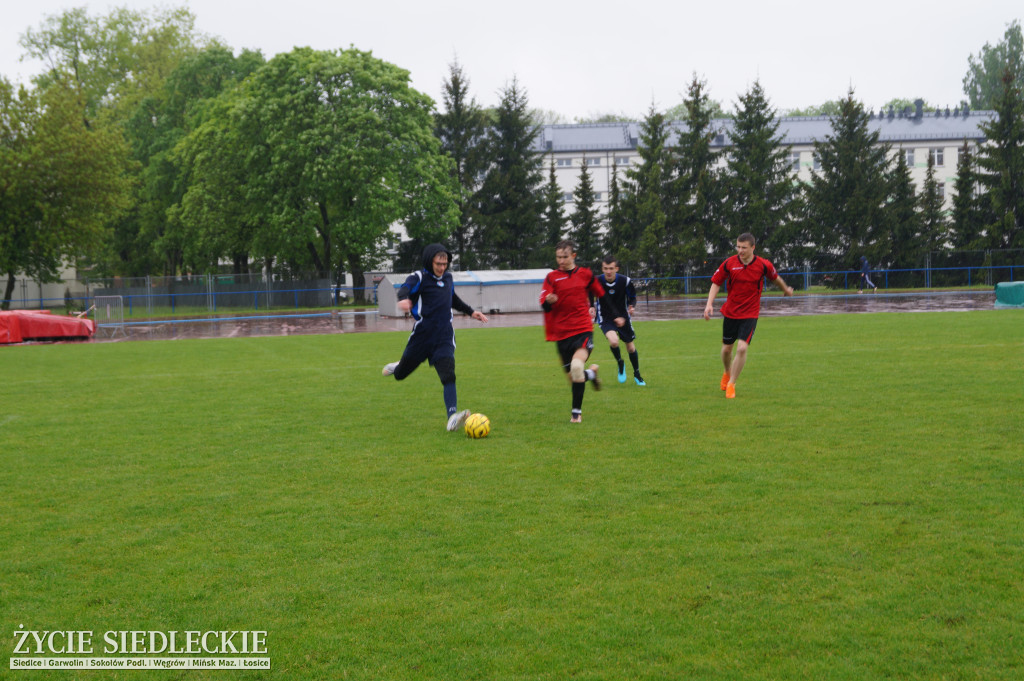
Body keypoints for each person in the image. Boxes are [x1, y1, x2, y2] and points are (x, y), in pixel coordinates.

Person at [382, 243, 489, 431]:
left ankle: (452, 417)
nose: (442, 268)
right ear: (429, 261)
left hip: (444, 335)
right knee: (400, 376)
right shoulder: (419, 277)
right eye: (438, 263)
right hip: (422, 336)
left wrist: (472, 312)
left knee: (448, 374)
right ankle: (398, 366)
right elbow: (405, 289)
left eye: (445, 263)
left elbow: (453, 299)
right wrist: (404, 299)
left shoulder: (448, 278)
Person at [703, 232, 794, 399]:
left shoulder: (763, 265)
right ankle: (726, 372)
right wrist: (709, 304)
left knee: (742, 347)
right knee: (726, 350)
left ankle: (732, 384)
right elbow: (716, 282)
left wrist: (786, 289)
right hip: (731, 312)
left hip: (750, 312)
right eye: (738, 247)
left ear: (753, 247)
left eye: (743, 247)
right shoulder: (729, 263)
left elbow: (776, 278)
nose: (740, 250)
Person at [540, 239, 606, 423]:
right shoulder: (552, 277)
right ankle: (591, 374)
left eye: (565, 257)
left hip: (583, 329)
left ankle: (576, 413)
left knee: (577, 367)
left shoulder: (585, 274)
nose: (561, 261)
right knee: (574, 377)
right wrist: (548, 301)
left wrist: (598, 309)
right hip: (561, 335)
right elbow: (544, 306)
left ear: (573, 256)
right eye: (558, 257)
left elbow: (599, 292)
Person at [590, 255, 646, 386]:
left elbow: (632, 297)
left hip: (623, 316)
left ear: (616, 268)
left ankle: (637, 374)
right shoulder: (597, 281)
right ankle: (620, 363)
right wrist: (591, 306)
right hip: (605, 317)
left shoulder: (625, 281)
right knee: (614, 341)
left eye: (611, 268)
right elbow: (589, 292)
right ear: (602, 269)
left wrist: (632, 306)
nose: (608, 271)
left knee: (630, 347)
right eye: (605, 268)